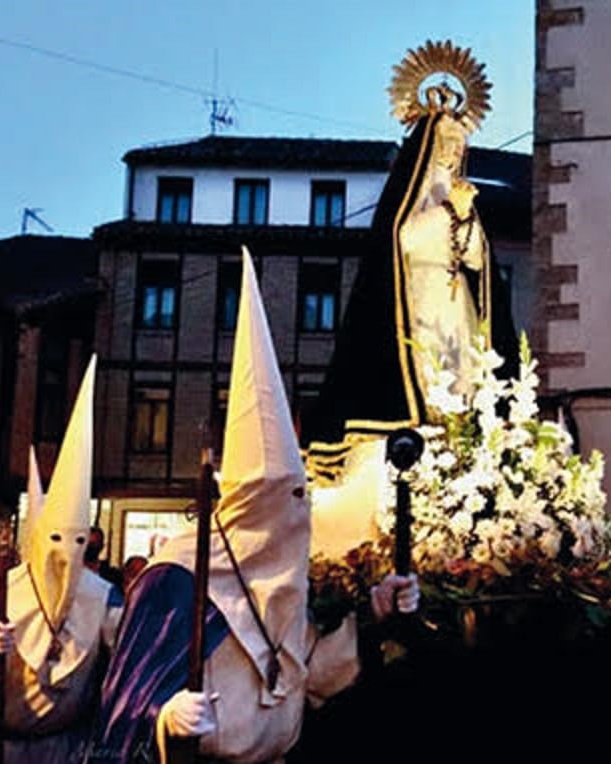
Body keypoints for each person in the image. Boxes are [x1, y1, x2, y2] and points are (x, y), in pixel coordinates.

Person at [91, 251, 419, 762]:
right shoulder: (177, 579)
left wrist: (373, 615)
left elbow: (308, 675)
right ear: (252, 503)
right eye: (287, 497)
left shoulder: (280, 579)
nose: (298, 514)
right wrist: (163, 717)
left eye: (300, 495)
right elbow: (125, 702)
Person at [303, 87, 518, 560]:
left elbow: (480, 258)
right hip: (417, 308)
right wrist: (448, 216)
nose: (452, 153)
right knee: (428, 376)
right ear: (426, 147)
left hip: (456, 309)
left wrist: (465, 224)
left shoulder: (464, 200)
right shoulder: (415, 202)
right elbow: (405, 241)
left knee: (461, 380)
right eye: (445, 142)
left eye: (459, 146)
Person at [0, 358, 123, 762]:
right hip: (5, 749)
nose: (65, 553)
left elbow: (127, 667)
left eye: (78, 541)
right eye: (56, 539)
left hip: (71, 748)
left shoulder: (104, 597)